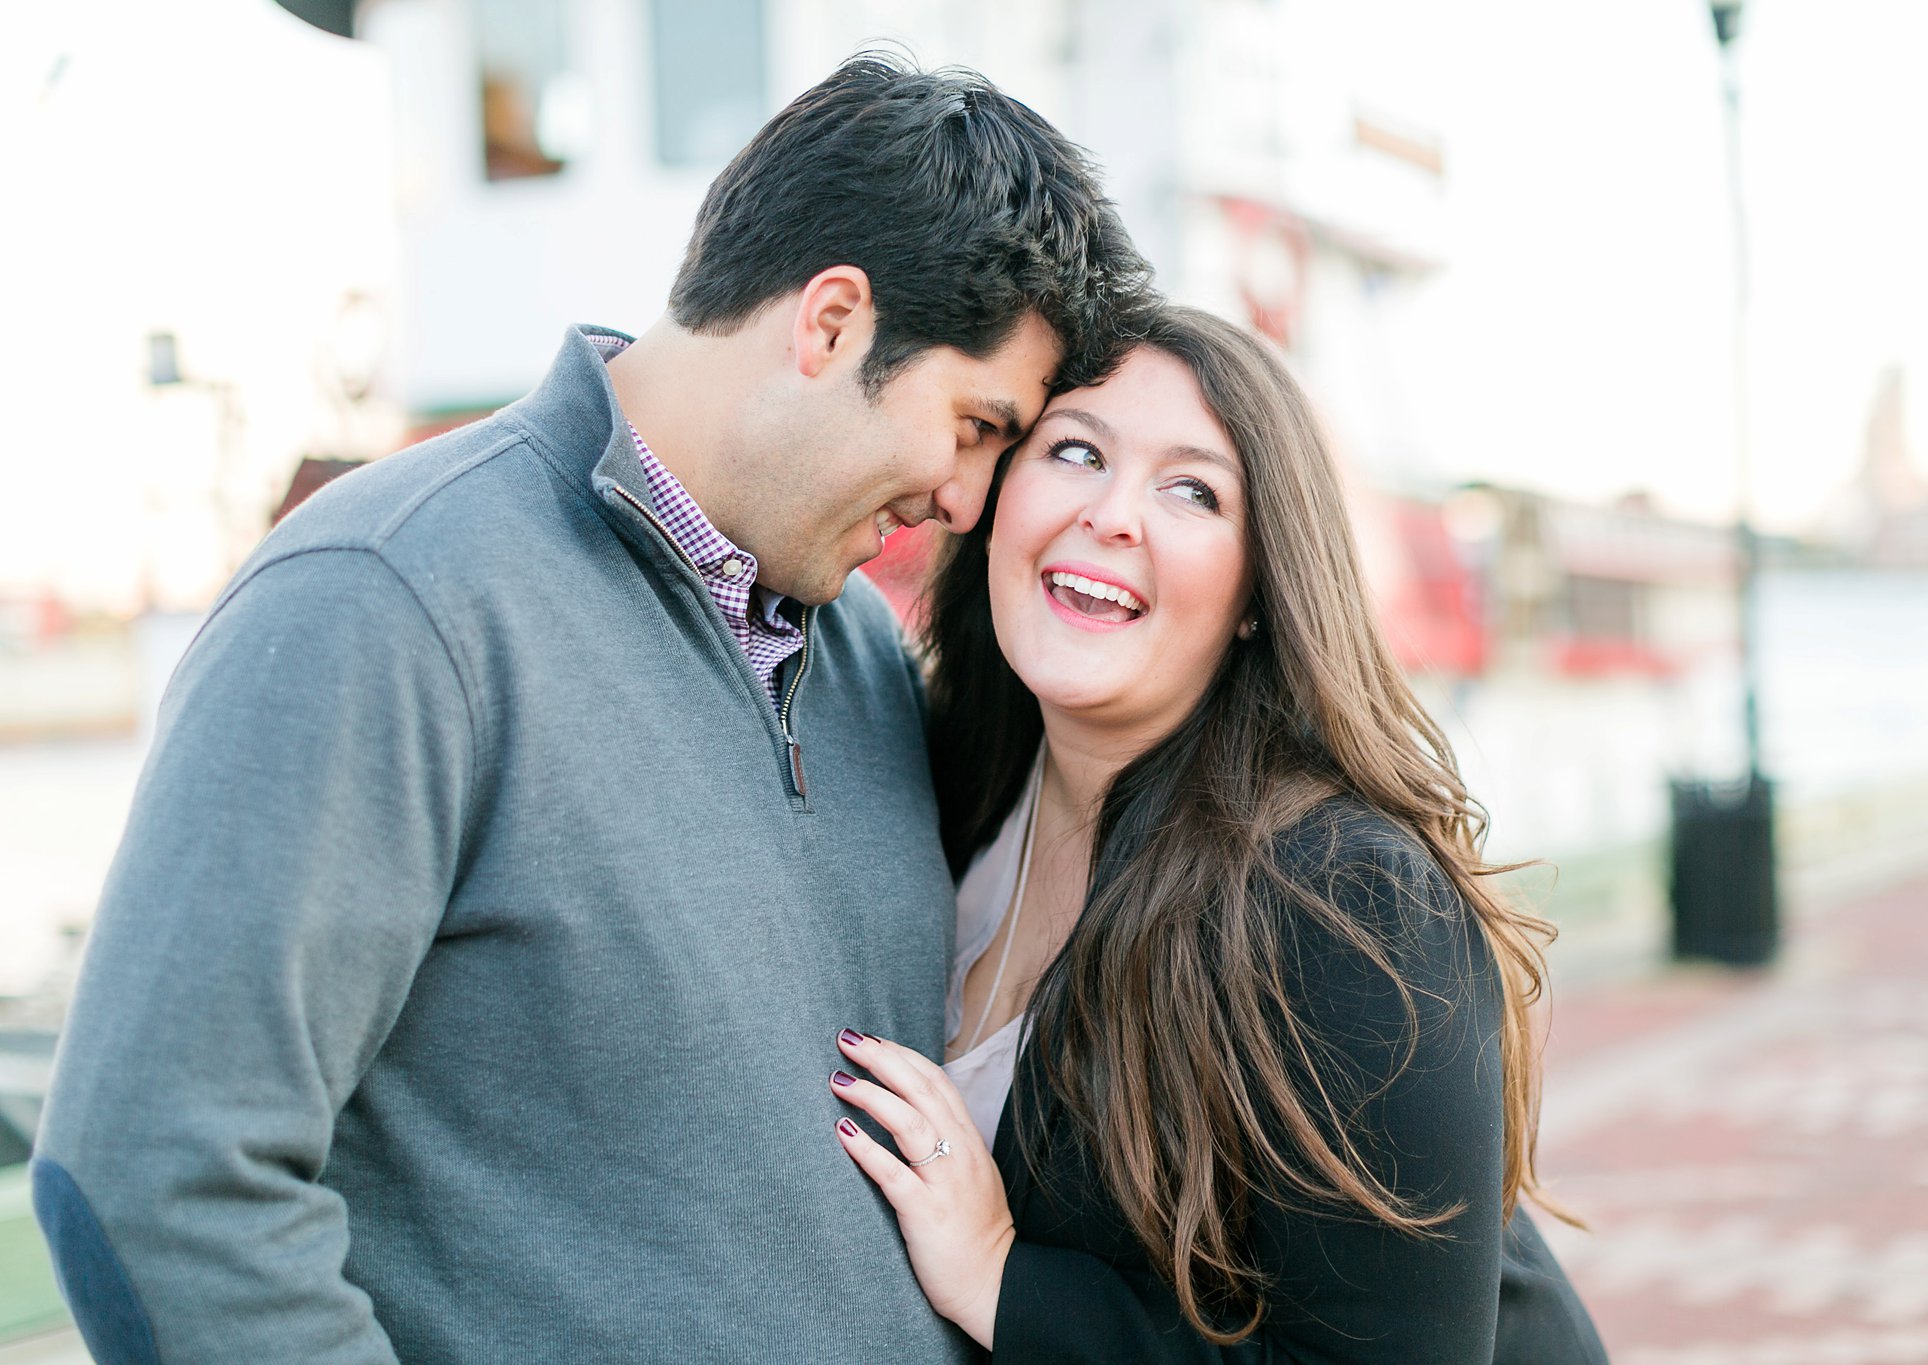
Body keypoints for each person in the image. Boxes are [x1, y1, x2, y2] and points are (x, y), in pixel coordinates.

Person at [31, 55, 1154, 1364]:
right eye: (973, 425)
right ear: (833, 322)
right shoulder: (389, 600)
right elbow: (157, 1173)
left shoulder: (857, 652)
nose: (968, 501)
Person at [829, 307, 1608, 1361]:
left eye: (1191, 490)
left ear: (1257, 591)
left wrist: (1002, 1280)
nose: (1112, 516)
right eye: (1075, 452)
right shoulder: (944, 780)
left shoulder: (1342, 897)